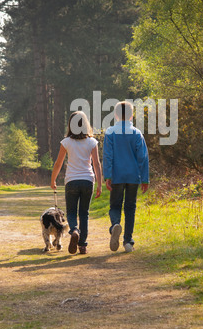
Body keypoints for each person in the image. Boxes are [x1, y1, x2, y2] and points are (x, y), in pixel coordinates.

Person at [51, 111, 102, 254]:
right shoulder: (92, 142)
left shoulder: (66, 142)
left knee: (72, 212)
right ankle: (82, 245)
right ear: (86, 125)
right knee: (84, 213)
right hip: (87, 181)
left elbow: (58, 163)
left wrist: (53, 179)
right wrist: (99, 184)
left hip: (72, 181)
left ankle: (74, 230)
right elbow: (97, 164)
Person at [103, 101, 149, 253]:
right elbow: (143, 157)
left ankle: (115, 224)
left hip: (117, 176)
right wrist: (145, 178)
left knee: (115, 205)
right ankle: (128, 241)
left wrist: (107, 176)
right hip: (132, 176)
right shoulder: (136, 133)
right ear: (132, 115)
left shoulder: (110, 132)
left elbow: (108, 156)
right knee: (130, 208)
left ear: (115, 115)